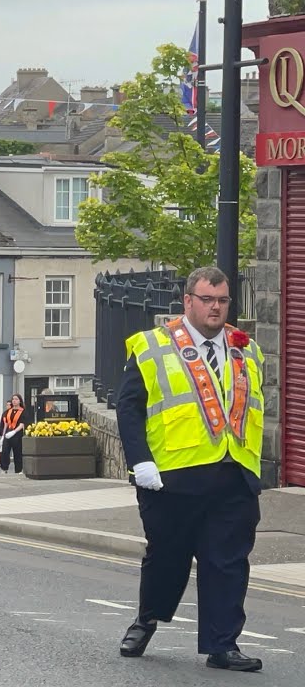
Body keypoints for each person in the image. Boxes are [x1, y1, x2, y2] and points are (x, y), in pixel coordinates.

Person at [116, 266, 266, 672]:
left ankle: (223, 645)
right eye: (207, 300)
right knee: (167, 558)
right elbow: (128, 409)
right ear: (188, 302)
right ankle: (147, 619)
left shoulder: (245, 348)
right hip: (172, 477)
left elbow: (252, 406)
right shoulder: (153, 346)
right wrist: (140, 462)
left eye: (222, 300)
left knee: (228, 562)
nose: (215, 308)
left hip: (233, 475)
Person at [0, 393, 28, 474]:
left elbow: (22, 424)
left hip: (17, 434)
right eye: (13, 399)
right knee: (5, 451)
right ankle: (4, 468)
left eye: (16, 399)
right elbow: (6, 424)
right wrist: (3, 436)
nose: (14, 401)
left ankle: (18, 470)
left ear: (20, 401)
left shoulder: (23, 411)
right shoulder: (8, 411)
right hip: (8, 433)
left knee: (17, 452)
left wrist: (14, 431)